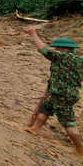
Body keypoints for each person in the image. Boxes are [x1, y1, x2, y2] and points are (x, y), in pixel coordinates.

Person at [23, 26, 83, 155]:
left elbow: (43, 49)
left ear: (63, 48)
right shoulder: (80, 60)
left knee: (68, 122)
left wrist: (33, 34)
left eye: (57, 48)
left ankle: (80, 148)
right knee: (46, 108)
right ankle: (34, 128)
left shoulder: (61, 57)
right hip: (62, 93)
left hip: (62, 95)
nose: (56, 49)